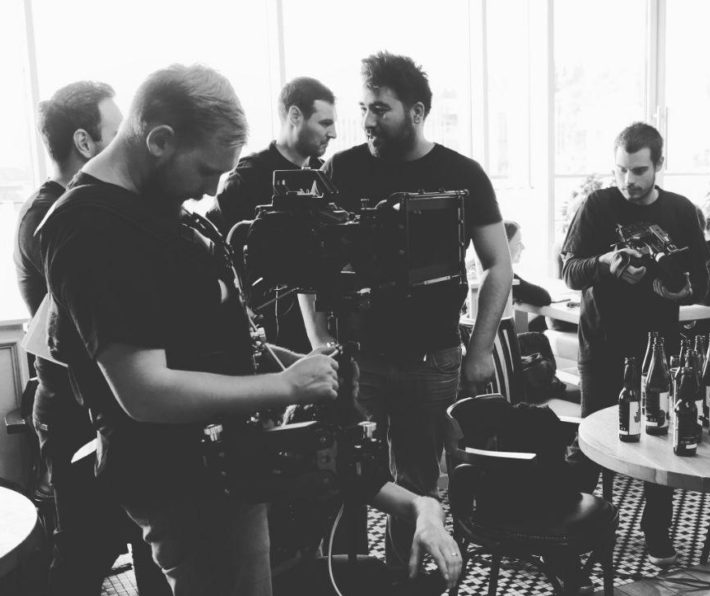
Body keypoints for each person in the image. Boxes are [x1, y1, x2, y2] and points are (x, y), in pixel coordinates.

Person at [38, 64, 462, 596]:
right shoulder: (91, 226)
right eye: (205, 170)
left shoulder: (153, 206)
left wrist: (296, 367)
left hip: (229, 469)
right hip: (185, 485)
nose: (211, 189)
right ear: (160, 140)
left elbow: (210, 344)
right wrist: (285, 386)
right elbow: (144, 390)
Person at [299, 52, 512, 575]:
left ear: (416, 112)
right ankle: (346, 578)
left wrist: (481, 348)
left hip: (431, 360)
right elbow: (306, 263)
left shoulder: (462, 174)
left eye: (380, 109)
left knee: (416, 485)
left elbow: (499, 265)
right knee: (342, 476)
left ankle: (403, 580)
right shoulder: (340, 169)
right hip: (356, 361)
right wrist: (319, 343)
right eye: (363, 109)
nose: (368, 121)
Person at [13, 80, 170, 596]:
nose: (129, 141)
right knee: (83, 554)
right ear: (84, 142)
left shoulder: (90, 209)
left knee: (150, 544)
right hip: (71, 412)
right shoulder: (55, 217)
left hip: (106, 405)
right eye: (118, 130)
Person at [561, 122, 709, 567]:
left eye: (639, 170)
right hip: (602, 342)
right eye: (621, 170)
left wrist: (682, 289)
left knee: (658, 441)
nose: (629, 180)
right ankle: (571, 528)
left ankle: (657, 532)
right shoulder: (597, 205)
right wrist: (605, 263)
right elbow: (569, 271)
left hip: (658, 347)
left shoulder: (681, 211)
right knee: (591, 438)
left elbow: (702, 281)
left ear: (659, 164)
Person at [206, 76, 338, 353]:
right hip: (271, 341)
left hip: (321, 332)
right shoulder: (248, 178)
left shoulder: (326, 176)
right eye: (325, 123)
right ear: (295, 115)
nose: (333, 133)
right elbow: (214, 246)